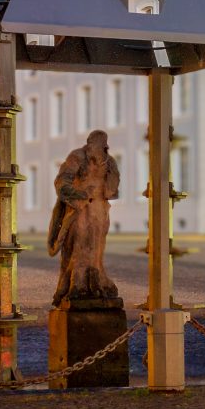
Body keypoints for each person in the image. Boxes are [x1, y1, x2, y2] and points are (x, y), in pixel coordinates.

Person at [47, 130, 120, 306]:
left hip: (100, 211)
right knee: (78, 247)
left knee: (96, 250)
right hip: (80, 209)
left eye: (95, 144)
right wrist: (78, 193)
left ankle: (97, 280)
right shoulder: (77, 156)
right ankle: (76, 284)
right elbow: (62, 181)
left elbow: (112, 189)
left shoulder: (109, 162)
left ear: (104, 146)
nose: (90, 147)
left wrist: (109, 173)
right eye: (89, 143)